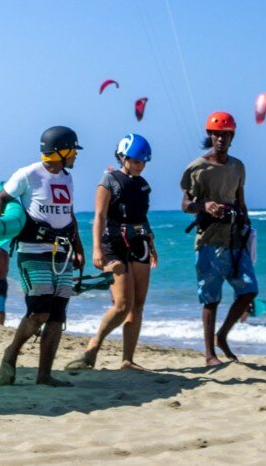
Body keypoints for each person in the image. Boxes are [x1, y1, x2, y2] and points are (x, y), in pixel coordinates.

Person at [0, 126, 85, 387]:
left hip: (62, 253)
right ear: (60, 151)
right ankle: (10, 357)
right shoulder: (28, 174)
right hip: (33, 251)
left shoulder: (67, 177)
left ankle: (44, 375)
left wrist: (79, 248)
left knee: (58, 315)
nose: (76, 156)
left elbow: (68, 215)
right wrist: (0, 240)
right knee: (40, 312)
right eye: (73, 150)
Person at [68, 133, 157, 371]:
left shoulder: (143, 185)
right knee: (122, 304)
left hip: (140, 245)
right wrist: (96, 248)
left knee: (138, 304)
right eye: (136, 160)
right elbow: (100, 216)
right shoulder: (108, 180)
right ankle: (94, 345)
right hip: (113, 246)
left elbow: (142, 216)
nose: (140, 165)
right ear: (123, 157)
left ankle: (127, 359)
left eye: (143, 161)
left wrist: (152, 244)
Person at [181, 111, 257, 366]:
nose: (221, 139)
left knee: (248, 290)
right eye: (217, 134)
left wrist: (246, 229)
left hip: (235, 241)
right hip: (208, 242)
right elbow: (185, 204)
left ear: (232, 136)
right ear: (210, 136)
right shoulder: (197, 168)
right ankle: (209, 355)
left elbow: (241, 202)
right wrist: (205, 206)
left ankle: (222, 336)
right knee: (211, 298)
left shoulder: (238, 167)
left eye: (226, 134)